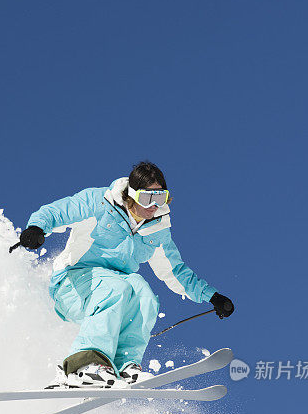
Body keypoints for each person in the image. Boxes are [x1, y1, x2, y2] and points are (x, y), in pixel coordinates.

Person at [20, 161, 234, 388]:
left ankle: (124, 366)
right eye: (147, 198)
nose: (153, 206)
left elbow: (175, 271)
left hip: (115, 288)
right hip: (72, 283)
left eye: (159, 198)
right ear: (132, 195)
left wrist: (211, 296)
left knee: (144, 294)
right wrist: (36, 228)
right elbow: (58, 211)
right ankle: (82, 366)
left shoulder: (157, 228)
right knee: (117, 287)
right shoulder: (99, 202)